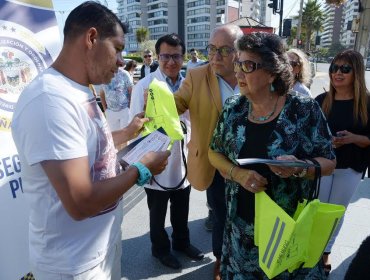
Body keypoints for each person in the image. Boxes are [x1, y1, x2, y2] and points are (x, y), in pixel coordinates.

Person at [11, 2, 170, 279]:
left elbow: (91, 148)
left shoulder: (78, 89)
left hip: (99, 249)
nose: (122, 61)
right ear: (92, 38)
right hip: (72, 265)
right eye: (118, 49)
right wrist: (141, 168)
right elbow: (81, 201)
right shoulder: (50, 100)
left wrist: (128, 134)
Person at [208, 32, 336, 279]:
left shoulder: (304, 109)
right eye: (238, 64)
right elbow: (215, 152)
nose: (238, 72)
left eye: (248, 65)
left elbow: (329, 162)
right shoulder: (234, 108)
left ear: (272, 72)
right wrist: (239, 174)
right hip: (241, 230)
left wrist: (300, 167)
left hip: (288, 231)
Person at [174, 24, 243, 280]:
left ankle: (242, 258)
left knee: (246, 215)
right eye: (212, 49)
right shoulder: (197, 75)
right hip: (214, 163)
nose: (215, 56)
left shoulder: (251, 73)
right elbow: (178, 102)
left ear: (238, 52)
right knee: (221, 216)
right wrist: (157, 103)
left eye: (224, 50)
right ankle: (220, 260)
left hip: (248, 163)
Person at [129, 33, 204, 270]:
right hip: (156, 160)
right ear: (157, 57)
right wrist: (144, 165)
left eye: (176, 56)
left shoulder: (189, 85)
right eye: (165, 56)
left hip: (184, 158)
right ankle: (160, 249)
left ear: (183, 57)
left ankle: (182, 242)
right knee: (157, 211)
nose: (170, 61)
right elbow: (136, 127)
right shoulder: (145, 85)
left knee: (182, 207)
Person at [315, 49, 370, 276]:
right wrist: (328, 142)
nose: (337, 73)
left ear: (356, 72)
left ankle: (325, 253)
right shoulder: (321, 100)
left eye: (344, 69)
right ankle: (312, 252)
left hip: (349, 169)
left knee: (334, 213)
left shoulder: (366, 104)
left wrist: (354, 139)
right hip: (323, 166)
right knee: (317, 211)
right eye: (334, 68)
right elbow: (309, 136)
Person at [99, 63, 133, 131]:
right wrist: (105, 109)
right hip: (110, 112)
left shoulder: (124, 73)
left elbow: (131, 91)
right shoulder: (103, 74)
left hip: (124, 110)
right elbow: (102, 93)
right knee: (114, 136)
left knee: (125, 135)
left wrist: (129, 107)